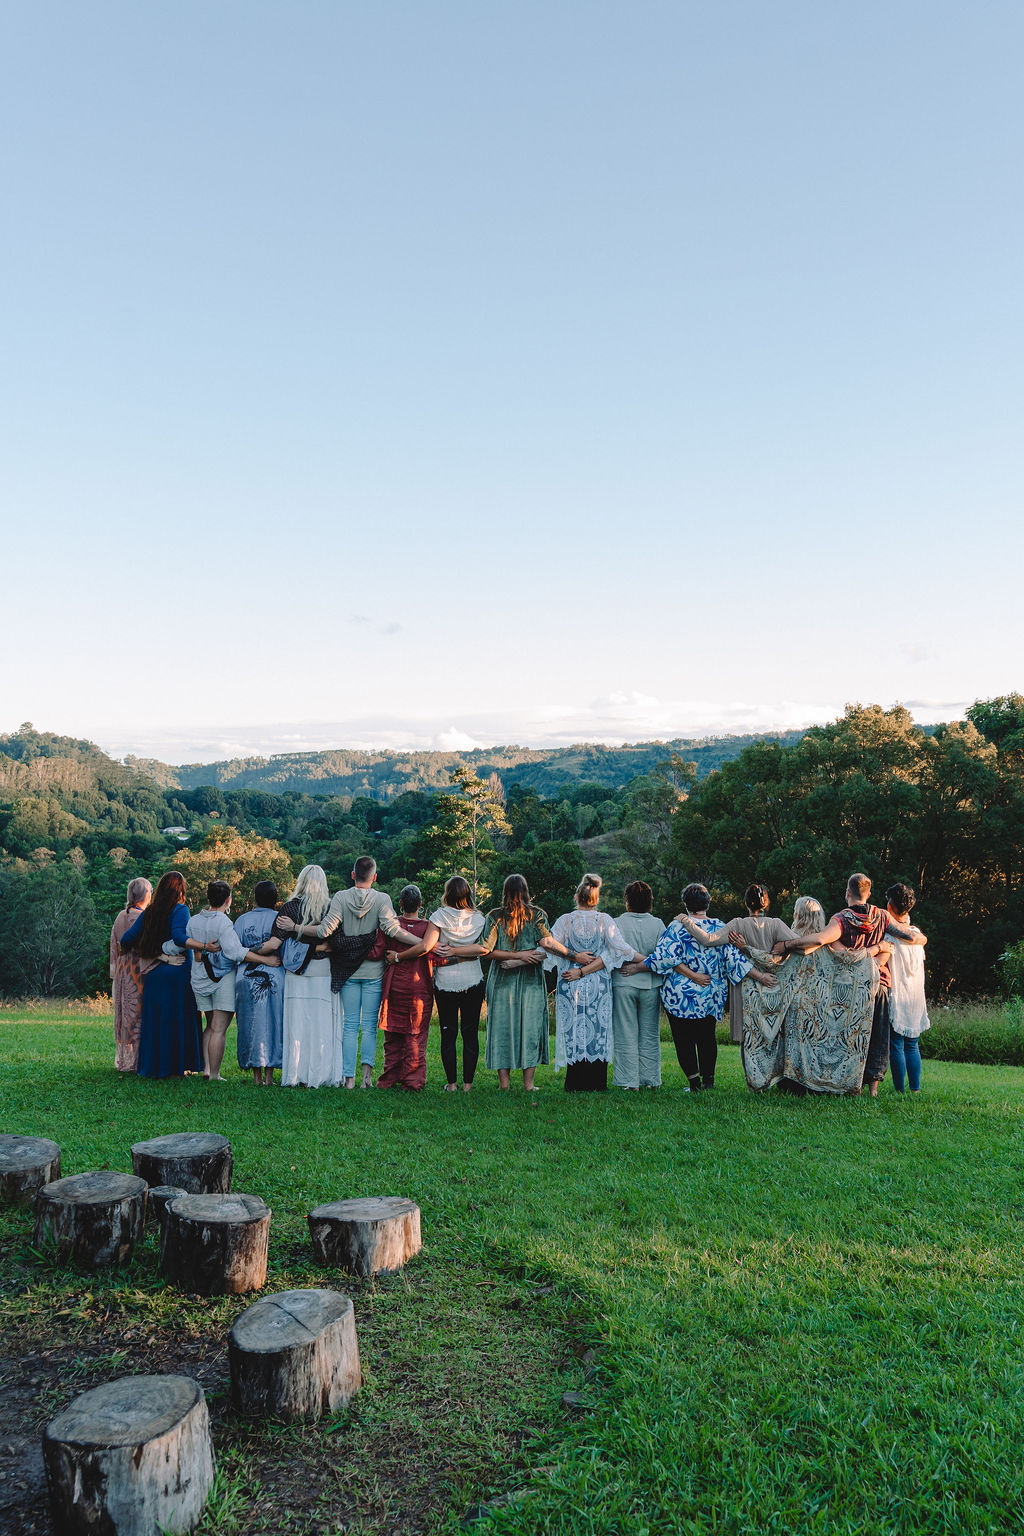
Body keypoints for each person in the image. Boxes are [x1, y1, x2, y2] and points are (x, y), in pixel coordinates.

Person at [776, 872, 925, 1096]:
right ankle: (873, 1089)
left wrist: (788, 944)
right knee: (878, 1038)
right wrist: (922, 939)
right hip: (879, 983)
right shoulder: (882, 915)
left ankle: (849, 1083)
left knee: (851, 1037)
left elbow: (820, 939)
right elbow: (909, 936)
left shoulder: (841, 919)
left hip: (851, 987)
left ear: (847, 893)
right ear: (869, 894)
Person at [276, 855, 417, 1088]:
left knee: (350, 1025)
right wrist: (422, 942)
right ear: (375, 877)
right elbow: (394, 930)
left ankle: (349, 1079)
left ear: (353, 875)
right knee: (369, 1026)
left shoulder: (341, 897)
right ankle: (366, 1078)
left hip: (347, 972)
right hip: (373, 972)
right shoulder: (382, 899)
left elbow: (324, 931)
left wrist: (296, 927)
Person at [443, 874, 581, 1092]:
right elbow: (548, 944)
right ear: (526, 891)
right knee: (531, 1028)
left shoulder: (495, 916)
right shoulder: (537, 915)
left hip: (501, 981)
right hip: (531, 982)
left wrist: (513, 957)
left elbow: (486, 950)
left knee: (502, 1029)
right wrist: (574, 956)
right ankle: (528, 1084)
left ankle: (504, 1084)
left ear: (505, 892)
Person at [645, 883, 774, 1091]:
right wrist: (761, 976)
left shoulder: (676, 927)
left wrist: (691, 975)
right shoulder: (719, 927)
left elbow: (665, 958)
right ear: (708, 903)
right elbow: (734, 959)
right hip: (710, 994)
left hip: (680, 996)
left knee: (683, 1040)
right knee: (707, 1037)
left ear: (686, 904)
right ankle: (708, 1082)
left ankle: (694, 1083)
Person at [547, 874, 644, 1091]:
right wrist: (648, 960)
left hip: (570, 981)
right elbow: (621, 949)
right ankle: (596, 1081)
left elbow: (550, 945)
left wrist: (571, 957)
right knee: (599, 1028)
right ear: (596, 899)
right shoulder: (605, 920)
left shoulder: (565, 920)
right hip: (598, 985)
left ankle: (574, 1082)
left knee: (574, 1029)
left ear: (576, 897)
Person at [676, 883, 796, 1044]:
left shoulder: (738, 924)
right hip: (771, 985)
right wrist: (786, 946)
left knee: (748, 1037)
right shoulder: (776, 924)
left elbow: (708, 940)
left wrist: (686, 921)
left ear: (746, 903)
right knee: (772, 1037)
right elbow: (800, 944)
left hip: (746, 986)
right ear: (766, 903)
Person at [186, 881, 279, 1082]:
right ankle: (215, 1074)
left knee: (209, 1025)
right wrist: (265, 960)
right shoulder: (224, 923)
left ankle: (206, 1069)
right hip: (222, 979)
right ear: (228, 900)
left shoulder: (193, 921)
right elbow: (235, 952)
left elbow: (192, 949)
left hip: (200, 977)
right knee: (219, 1028)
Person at [119, 871, 202, 1079]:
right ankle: (178, 1067)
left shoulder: (150, 911)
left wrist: (157, 954)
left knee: (158, 1022)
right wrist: (202, 945)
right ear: (180, 890)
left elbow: (127, 939)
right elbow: (179, 937)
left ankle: (156, 1067)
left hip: (155, 974)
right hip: (178, 973)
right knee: (178, 1019)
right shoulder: (181, 909)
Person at [275, 865, 343, 1089]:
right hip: (322, 970)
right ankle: (320, 1073)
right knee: (321, 1024)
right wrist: (320, 947)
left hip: (295, 973)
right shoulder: (330, 907)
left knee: (297, 1024)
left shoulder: (289, 907)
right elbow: (336, 942)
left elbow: (278, 940)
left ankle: (296, 1073)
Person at [428, 876, 487, 1092]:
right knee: (470, 1032)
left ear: (448, 894)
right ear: (467, 894)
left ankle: (452, 1083)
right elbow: (482, 949)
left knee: (448, 1032)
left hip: (445, 981)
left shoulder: (438, 917)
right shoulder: (479, 919)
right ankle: (468, 1084)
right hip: (473, 979)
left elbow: (429, 945)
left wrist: (447, 950)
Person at [378, 884, 437, 1090]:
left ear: (400, 903)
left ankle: (389, 1078)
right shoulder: (429, 928)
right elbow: (438, 956)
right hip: (419, 987)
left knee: (393, 1035)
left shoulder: (391, 925)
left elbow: (379, 950)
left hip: (394, 985)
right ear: (420, 904)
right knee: (416, 1036)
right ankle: (412, 1081)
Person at [611, 881, 666, 1090]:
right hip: (651, 984)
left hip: (623, 982)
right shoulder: (658, 924)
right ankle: (650, 1080)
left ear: (627, 900)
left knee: (625, 1033)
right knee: (650, 1034)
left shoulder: (616, 923)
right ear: (649, 901)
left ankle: (628, 1081)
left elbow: (614, 953)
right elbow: (663, 957)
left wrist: (633, 966)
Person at [233, 880, 286, 1085]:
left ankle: (256, 1075)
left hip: (246, 978)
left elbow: (235, 950)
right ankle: (269, 1076)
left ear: (255, 898)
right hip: (276, 976)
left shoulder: (242, 920)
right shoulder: (280, 919)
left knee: (250, 1023)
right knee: (274, 1023)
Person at [885, 882, 930, 1093]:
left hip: (898, 993)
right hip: (915, 996)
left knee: (896, 1044)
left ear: (890, 906)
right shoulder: (917, 934)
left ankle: (899, 1090)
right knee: (912, 1045)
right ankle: (915, 1088)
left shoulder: (889, 936)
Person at [109, 877, 151, 1072]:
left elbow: (114, 946)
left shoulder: (120, 916)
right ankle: (138, 1061)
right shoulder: (142, 917)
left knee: (125, 1014)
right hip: (137, 969)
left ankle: (126, 1060)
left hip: (122, 969)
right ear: (145, 894)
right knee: (138, 1013)